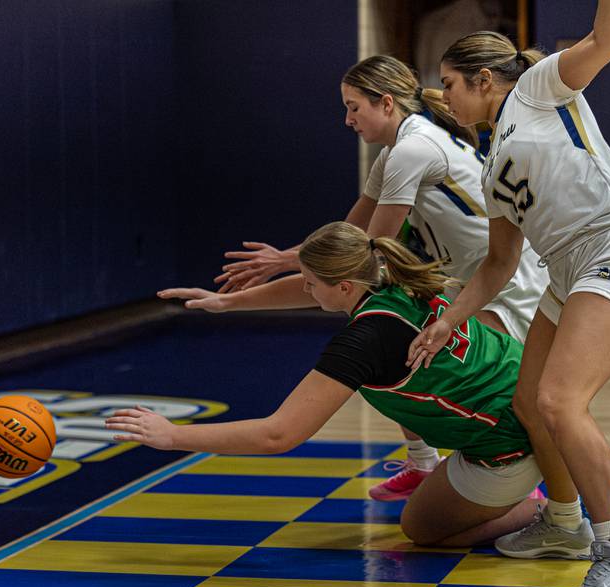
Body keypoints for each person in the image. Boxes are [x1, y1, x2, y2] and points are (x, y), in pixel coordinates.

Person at [111, 222, 610, 587]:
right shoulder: (386, 276)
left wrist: (172, 435)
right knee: (551, 428)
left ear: (340, 285)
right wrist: (229, 302)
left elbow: (277, 435)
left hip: (505, 442)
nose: (302, 292)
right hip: (522, 384)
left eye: (310, 285)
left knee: (421, 529)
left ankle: (545, 512)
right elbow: (307, 288)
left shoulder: (365, 341)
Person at [405, 1, 610, 587]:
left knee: (559, 400)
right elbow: (499, 265)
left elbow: (607, 38)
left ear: (484, 80)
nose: (444, 96)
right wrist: (447, 318)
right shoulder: (491, 163)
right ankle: (565, 523)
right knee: (530, 401)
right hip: (567, 271)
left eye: (450, 84)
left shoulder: (536, 87)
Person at [206, 54, 549, 503]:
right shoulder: (395, 152)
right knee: (394, 345)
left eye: (353, 107)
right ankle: (431, 465)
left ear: (386, 103)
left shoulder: (411, 150)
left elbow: (360, 258)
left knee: (502, 394)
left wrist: (270, 278)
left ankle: (542, 495)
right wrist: (285, 260)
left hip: (509, 283)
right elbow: (349, 237)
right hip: (474, 278)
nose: (347, 119)